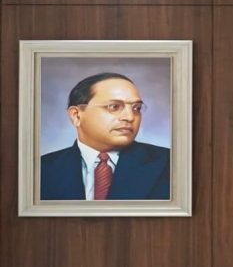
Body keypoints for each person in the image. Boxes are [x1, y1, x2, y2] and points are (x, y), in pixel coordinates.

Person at [40, 73, 170, 200]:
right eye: (114, 107)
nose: (130, 117)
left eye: (137, 108)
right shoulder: (40, 170)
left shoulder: (171, 164)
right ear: (76, 115)